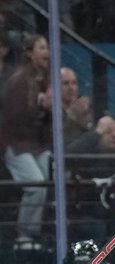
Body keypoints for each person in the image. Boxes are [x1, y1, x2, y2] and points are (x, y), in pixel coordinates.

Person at [1, 34, 52, 242]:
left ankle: (40, 233)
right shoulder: (20, 80)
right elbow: (14, 117)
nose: (46, 52)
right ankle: (25, 235)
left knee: (50, 182)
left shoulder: (45, 79)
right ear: (30, 53)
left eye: (47, 47)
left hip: (37, 145)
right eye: (41, 47)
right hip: (15, 143)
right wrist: (39, 107)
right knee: (36, 185)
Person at [60, 66, 94, 146]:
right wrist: (72, 116)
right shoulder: (50, 110)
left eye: (74, 83)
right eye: (65, 83)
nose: (71, 87)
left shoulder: (86, 107)